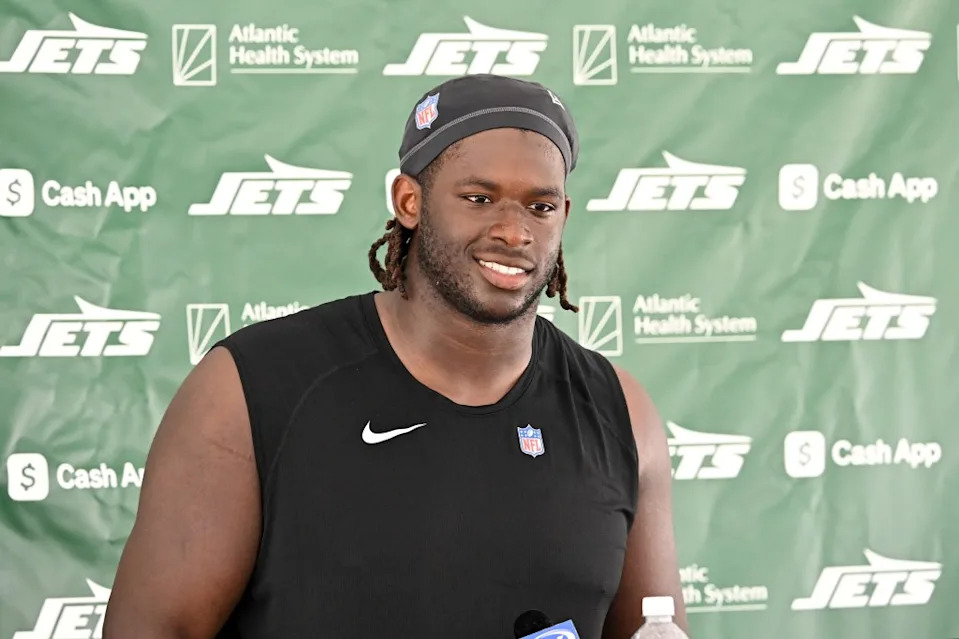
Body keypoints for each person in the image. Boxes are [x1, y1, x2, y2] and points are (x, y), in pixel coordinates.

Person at [103, 73, 687, 639]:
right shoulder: (251, 388)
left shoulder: (621, 411)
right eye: (480, 198)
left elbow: (653, 629)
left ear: (563, 215)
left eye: (539, 206)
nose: (514, 232)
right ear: (410, 200)